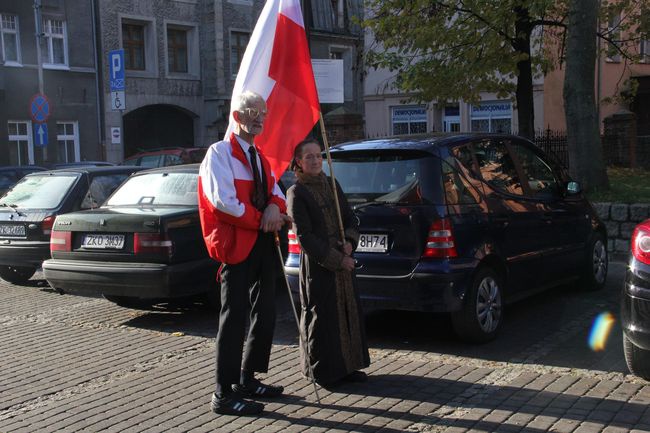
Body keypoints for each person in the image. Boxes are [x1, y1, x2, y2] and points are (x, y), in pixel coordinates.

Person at [198, 90, 292, 416]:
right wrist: (264, 219)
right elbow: (222, 203)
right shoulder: (219, 154)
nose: (260, 118)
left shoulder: (260, 157)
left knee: (265, 313)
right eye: (253, 112)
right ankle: (223, 393)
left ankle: (247, 379)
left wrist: (275, 210)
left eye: (263, 113)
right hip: (237, 248)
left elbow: (278, 194)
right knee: (234, 319)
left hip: (263, 247)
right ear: (236, 116)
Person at [286, 138, 370, 388]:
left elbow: (350, 218)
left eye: (318, 155)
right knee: (322, 317)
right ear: (299, 162)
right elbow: (305, 237)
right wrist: (337, 260)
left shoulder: (332, 184)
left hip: (343, 261)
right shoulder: (296, 192)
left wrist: (350, 244)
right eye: (308, 157)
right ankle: (322, 372)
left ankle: (348, 366)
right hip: (319, 265)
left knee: (346, 314)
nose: (314, 160)